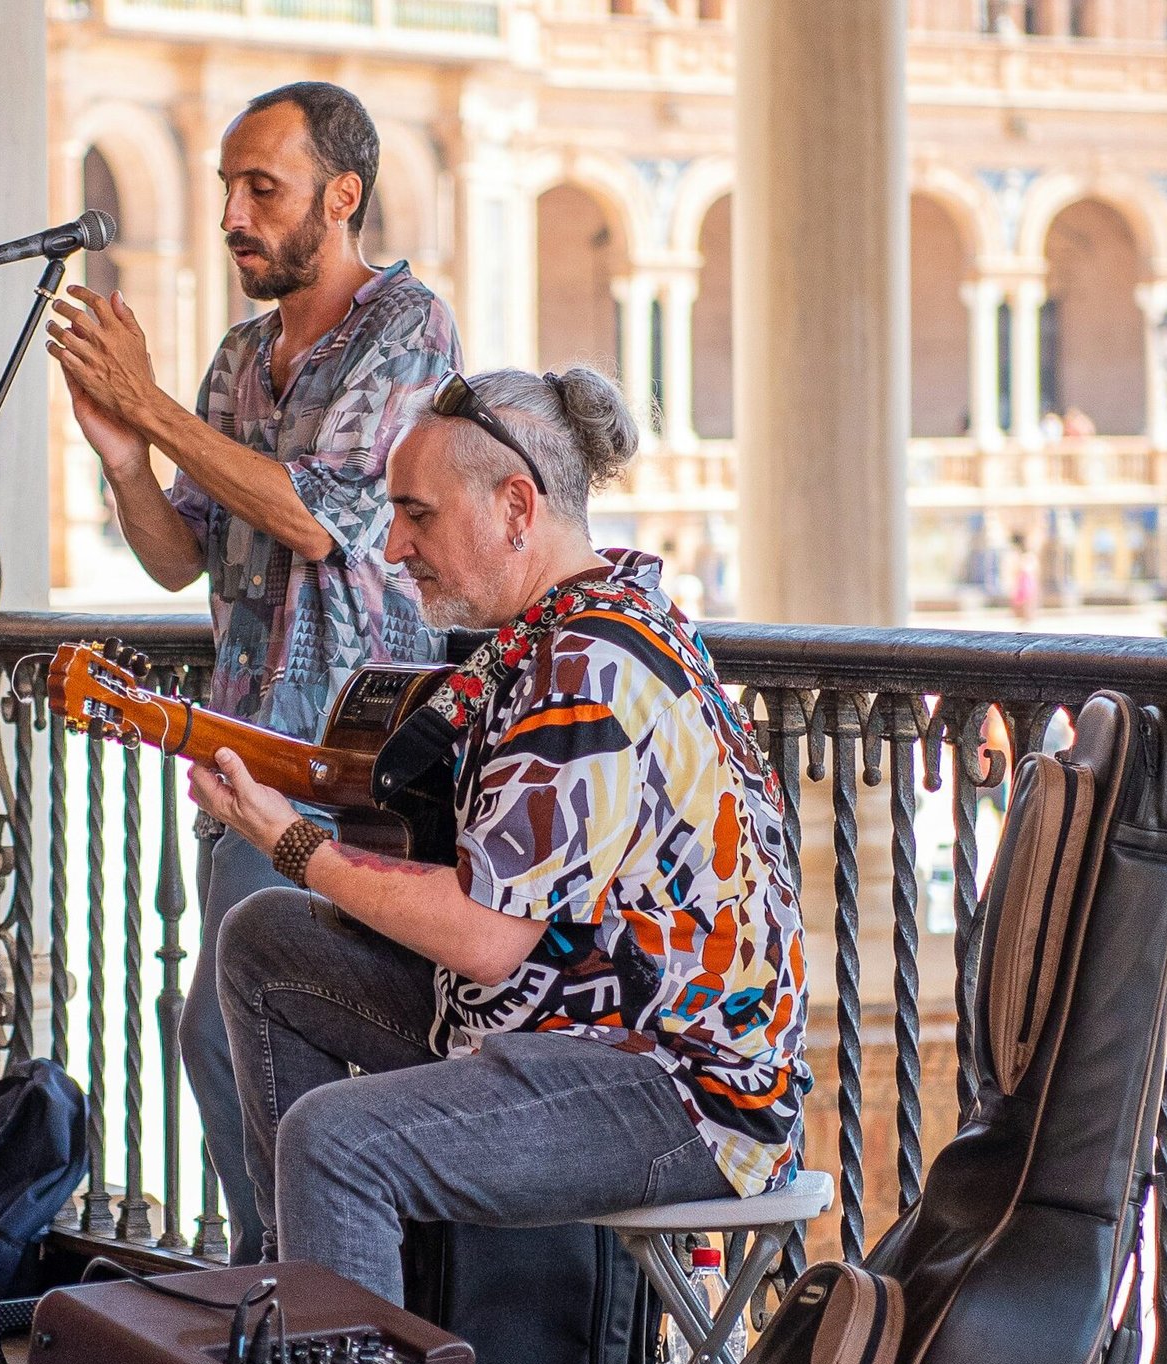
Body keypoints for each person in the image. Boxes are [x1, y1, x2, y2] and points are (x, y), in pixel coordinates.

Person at [190, 367, 810, 1303]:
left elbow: (484, 936)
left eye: (418, 514)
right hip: (567, 1021)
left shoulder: (585, 664)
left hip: (676, 1086)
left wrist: (290, 840)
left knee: (335, 1139)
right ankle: (316, 1296)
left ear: (517, 506)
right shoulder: (560, 630)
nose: (393, 545)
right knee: (264, 943)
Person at [46, 81, 461, 1263]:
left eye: (260, 188)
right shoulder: (239, 359)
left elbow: (320, 520)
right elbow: (181, 554)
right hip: (241, 762)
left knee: (231, 1039)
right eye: (228, 186)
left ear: (341, 197)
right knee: (230, 1040)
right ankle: (290, 1287)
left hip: (357, 771)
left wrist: (153, 405)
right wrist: (128, 454)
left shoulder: (408, 328)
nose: (234, 210)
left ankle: (301, 1298)